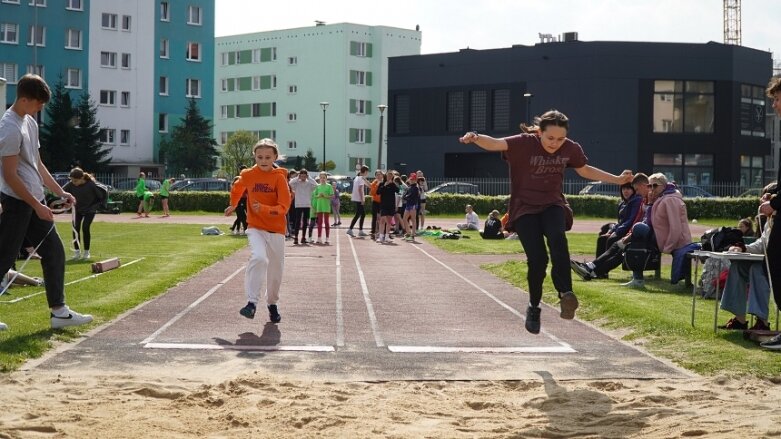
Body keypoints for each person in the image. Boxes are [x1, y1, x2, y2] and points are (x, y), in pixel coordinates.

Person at [460, 110, 632, 334]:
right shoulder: (523, 143)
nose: (555, 144)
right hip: (524, 209)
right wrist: (475, 136)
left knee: (558, 239)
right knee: (538, 259)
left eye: (560, 139)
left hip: (552, 204)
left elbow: (584, 170)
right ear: (539, 132)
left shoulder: (570, 148)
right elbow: (495, 143)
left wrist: (617, 179)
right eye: (550, 138)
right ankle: (534, 306)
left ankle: (565, 294)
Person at [0, 73, 93, 330]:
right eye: (38, 103)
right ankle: (59, 311)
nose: (41, 107)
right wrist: (36, 205)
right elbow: (9, 175)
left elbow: (37, 165)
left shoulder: (29, 122)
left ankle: (59, 313)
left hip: (34, 201)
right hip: (18, 203)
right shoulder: (8, 128)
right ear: (25, 99)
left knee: (54, 252)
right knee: (4, 257)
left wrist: (59, 192)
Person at [225, 138, 291, 324]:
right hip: (255, 227)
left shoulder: (279, 177)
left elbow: (284, 207)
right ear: (254, 156)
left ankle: (272, 304)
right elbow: (237, 188)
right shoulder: (248, 174)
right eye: (259, 156)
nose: (263, 160)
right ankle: (251, 303)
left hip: (277, 229)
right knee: (259, 258)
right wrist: (233, 204)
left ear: (275, 157)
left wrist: (262, 208)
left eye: (267, 157)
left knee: (276, 271)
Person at [570, 173, 650, 282]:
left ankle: (591, 269)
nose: (637, 193)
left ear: (642, 185)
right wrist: (616, 230)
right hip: (636, 233)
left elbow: (637, 221)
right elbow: (632, 221)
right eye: (624, 189)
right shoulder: (640, 201)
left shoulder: (642, 201)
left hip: (642, 235)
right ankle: (592, 269)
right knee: (614, 245)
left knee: (617, 248)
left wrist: (625, 234)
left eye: (634, 189)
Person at [718, 183, 777, 331]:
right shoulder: (769, 222)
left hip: (775, 267)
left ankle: (762, 322)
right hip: (768, 263)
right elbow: (762, 244)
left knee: (757, 269)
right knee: (738, 266)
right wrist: (742, 248)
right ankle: (740, 319)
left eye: (765, 198)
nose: (761, 202)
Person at [62, 167, 106, 260]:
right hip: (77, 210)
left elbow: (100, 196)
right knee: (75, 228)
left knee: (85, 227)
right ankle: (77, 253)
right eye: (72, 180)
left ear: (82, 178)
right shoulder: (71, 184)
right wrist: (66, 201)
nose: (73, 183)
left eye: (75, 181)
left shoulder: (91, 184)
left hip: (90, 209)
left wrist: (96, 206)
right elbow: (63, 193)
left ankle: (86, 252)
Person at [595, 183, 643, 257]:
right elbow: (620, 222)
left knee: (610, 239)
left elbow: (630, 221)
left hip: (628, 230)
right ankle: (595, 265)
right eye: (623, 189)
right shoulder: (623, 203)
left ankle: (602, 264)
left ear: (633, 190)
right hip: (622, 227)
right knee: (603, 235)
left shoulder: (636, 200)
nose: (625, 191)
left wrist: (615, 232)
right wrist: (611, 231)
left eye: (628, 189)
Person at [288, 169, 316, 245]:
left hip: (306, 204)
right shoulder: (296, 183)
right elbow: (290, 183)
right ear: (300, 176)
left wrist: (309, 177)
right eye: (302, 176)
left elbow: (316, 185)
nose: (303, 177)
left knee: (305, 222)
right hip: (298, 204)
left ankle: (303, 237)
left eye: (304, 176)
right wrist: (297, 177)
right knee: (297, 221)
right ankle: (296, 237)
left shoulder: (309, 183)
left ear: (306, 176)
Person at [347, 165, 370, 237]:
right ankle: (351, 229)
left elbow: (369, 185)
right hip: (359, 199)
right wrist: (362, 199)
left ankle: (359, 230)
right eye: (367, 172)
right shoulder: (360, 178)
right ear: (365, 171)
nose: (367, 173)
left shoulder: (358, 177)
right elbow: (360, 189)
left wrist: (365, 180)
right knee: (359, 214)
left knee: (361, 214)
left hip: (356, 198)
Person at [376, 170, 399, 243]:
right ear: (386, 176)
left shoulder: (393, 184)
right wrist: (385, 185)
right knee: (382, 220)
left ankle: (386, 236)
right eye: (388, 175)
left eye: (391, 176)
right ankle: (380, 236)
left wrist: (393, 184)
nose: (389, 177)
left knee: (389, 221)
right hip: (383, 205)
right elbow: (378, 192)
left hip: (391, 205)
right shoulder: (382, 183)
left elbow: (398, 190)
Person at [312, 172, 334, 244]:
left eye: (324, 177)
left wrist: (325, 196)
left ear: (326, 178)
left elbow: (332, 196)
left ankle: (327, 238)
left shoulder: (329, 186)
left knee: (327, 222)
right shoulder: (317, 186)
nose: (322, 179)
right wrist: (319, 195)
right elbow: (315, 195)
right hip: (319, 206)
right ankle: (319, 238)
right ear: (319, 178)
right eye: (321, 177)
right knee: (319, 222)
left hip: (326, 206)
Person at [402, 172, 421, 242]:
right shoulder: (410, 187)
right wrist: (405, 197)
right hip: (408, 204)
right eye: (411, 179)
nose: (412, 180)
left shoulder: (416, 187)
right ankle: (408, 233)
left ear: (415, 180)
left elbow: (412, 196)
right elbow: (406, 195)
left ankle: (412, 235)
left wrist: (406, 197)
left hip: (413, 205)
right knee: (404, 219)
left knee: (413, 219)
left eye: (413, 179)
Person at [369, 169, 383, 239]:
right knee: (374, 217)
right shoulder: (374, 183)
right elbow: (372, 193)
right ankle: (373, 231)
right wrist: (377, 184)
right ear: (375, 176)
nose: (378, 176)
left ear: (382, 175)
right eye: (377, 175)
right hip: (375, 201)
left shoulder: (384, 182)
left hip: (382, 202)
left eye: (379, 174)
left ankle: (382, 232)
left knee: (382, 218)